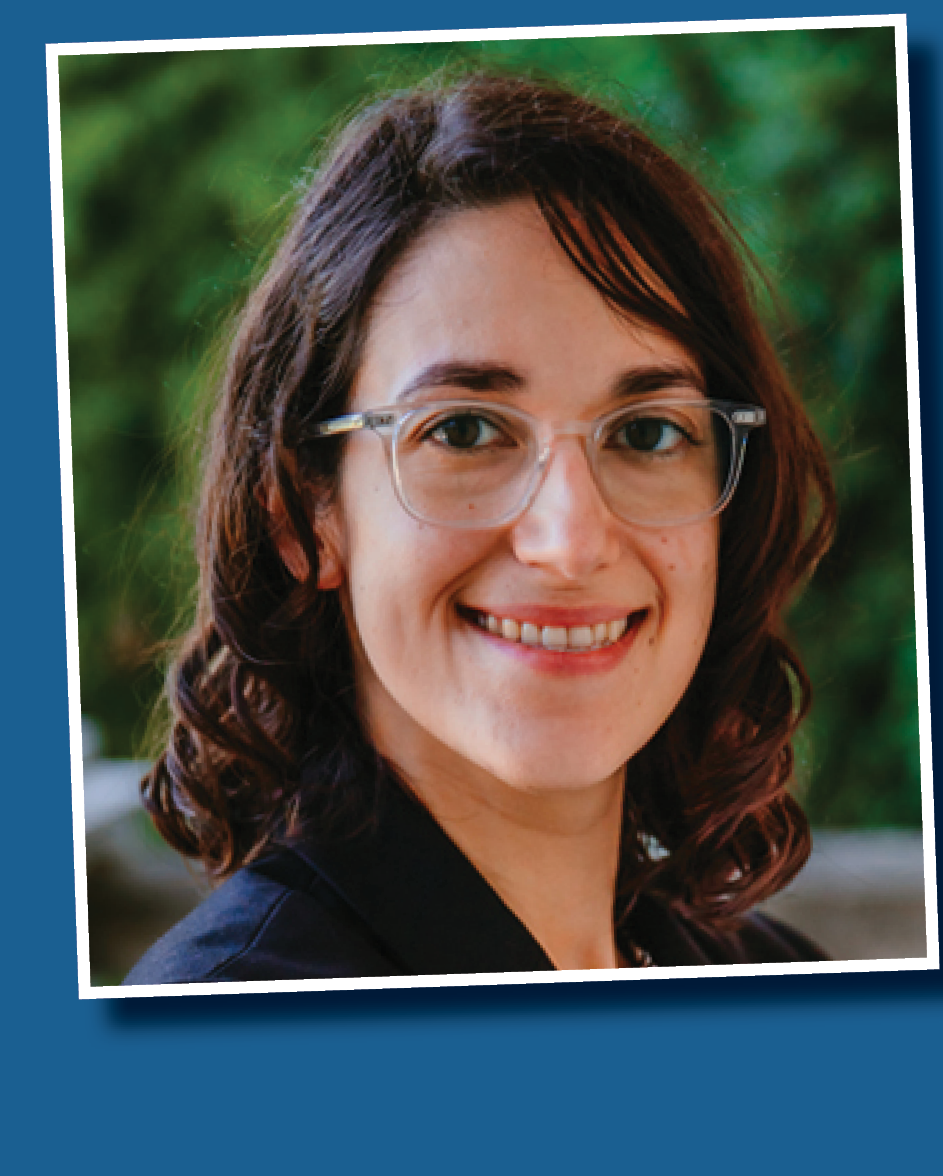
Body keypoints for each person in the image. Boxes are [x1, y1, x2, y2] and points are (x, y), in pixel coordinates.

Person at [129, 73, 837, 983]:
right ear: (307, 517)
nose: (570, 540)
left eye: (649, 433)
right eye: (463, 431)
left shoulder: (776, 981)